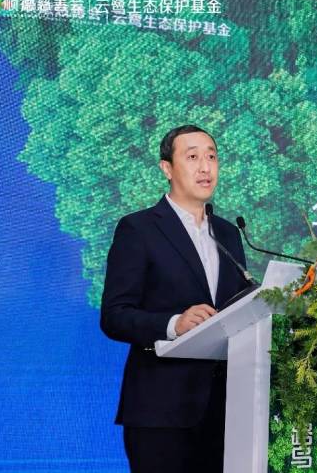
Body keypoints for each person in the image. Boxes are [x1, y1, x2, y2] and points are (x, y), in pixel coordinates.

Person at [100, 125, 248, 472]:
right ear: (167, 168)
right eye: (192, 157)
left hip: (226, 412)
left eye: (212, 157)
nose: (205, 167)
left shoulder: (228, 233)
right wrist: (173, 324)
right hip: (160, 411)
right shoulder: (138, 229)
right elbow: (114, 315)